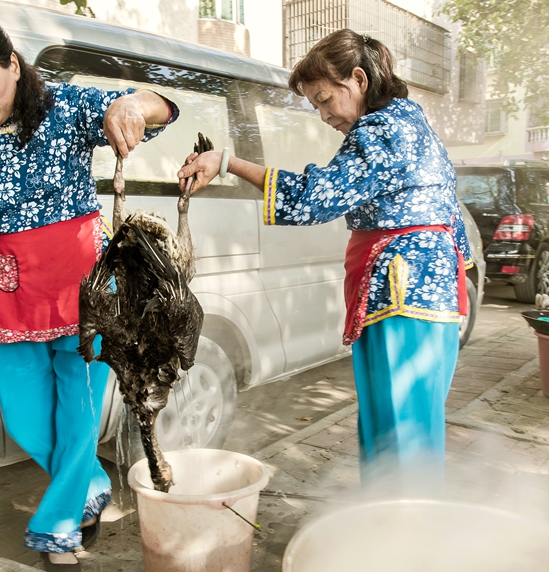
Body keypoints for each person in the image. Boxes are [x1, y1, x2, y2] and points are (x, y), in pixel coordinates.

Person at [0, 9, 176, 570]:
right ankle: (89, 485)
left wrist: (128, 105)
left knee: (79, 413)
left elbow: (161, 106)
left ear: (13, 65)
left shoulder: (66, 108)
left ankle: (58, 526)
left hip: (87, 293)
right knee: (24, 419)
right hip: (11, 297)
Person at [178, 29, 472, 489]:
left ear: (357, 79)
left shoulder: (382, 130)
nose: (322, 115)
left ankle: (405, 534)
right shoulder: (410, 120)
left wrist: (229, 163)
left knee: (397, 427)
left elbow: (316, 197)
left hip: (402, 290)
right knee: (407, 422)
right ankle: (391, 527)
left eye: (323, 99)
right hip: (426, 290)